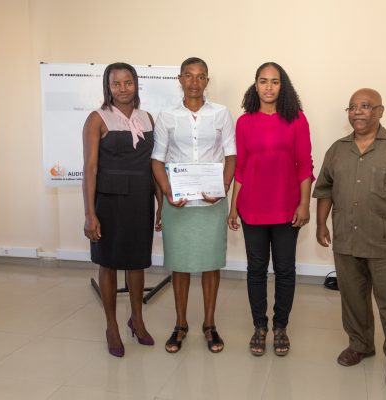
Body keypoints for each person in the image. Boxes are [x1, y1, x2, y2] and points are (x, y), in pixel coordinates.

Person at [312, 88, 386, 388]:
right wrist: (321, 224)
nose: (358, 112)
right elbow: (325, 190)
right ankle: (360, 345)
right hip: (347, 241)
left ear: (380, 111)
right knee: (353, 299)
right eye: (352, 107)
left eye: (365, 106)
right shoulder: (337, 150)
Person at [228, 62, 315, 357]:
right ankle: (259, 326)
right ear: (255, 85)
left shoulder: (297, 119)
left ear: (282, 85)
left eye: (274, 81)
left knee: (285, 269)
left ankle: (280, 327)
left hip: (286, 207)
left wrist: (304, 204)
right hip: (251, 207)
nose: (268, 87)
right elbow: (241, 167)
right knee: (255, 269)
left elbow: (305, 165)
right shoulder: (244, 122)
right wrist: (233, 207)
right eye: (263, 81)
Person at [151, 57, 236, 354]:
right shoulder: (167, 116)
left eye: (201, 76)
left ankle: (209, 324)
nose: (194, 82)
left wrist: (222, 189)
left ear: (207, 81)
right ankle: (181, 324)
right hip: (178, 204)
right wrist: (167, 192)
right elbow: (157, 160)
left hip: (212, 203)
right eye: (189, 75)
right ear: (180, 79)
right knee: (181, 265)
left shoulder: (221, 113)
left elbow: (231, 156)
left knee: (211, 264)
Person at [82, 62, 161, 357]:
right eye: (116, 83)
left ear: (136, 84)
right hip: (110, 202)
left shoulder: (146, 117)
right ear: (108, 87)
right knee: (109, 262)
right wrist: (90, 214)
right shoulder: (97, 118)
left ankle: (137, 320)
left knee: (138, 262)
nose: (123, 89)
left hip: (141, 198)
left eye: (128, 82)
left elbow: (153, 165)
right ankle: (112, 326)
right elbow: (90, 168)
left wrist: (161, 203)